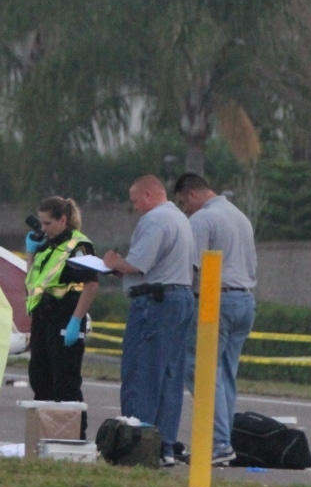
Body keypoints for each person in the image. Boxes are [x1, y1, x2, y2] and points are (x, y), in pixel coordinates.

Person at [103, 174, 196, 466]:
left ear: (147, 195)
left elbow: (137, 264)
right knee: (169, 375)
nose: (135, 209)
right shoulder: (181, 218)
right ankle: (164, 447)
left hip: (154, 303)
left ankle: (137, 445)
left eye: (135, 202)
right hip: (180, 296)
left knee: (141, 373)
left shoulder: (154, 220)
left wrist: (112, 263)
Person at [174, 172, 258, 466]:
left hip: (215, 299)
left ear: (193, 194)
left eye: (184, 203)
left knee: (201, 370)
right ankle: (223, 441)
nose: (184, 209)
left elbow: (191, 266)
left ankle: (219, 442)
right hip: (245, 299)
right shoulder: (239, 216)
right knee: (224, 374)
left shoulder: (202, 220)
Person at [23, 196, 100, 415]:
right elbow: (32, 282)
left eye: (48, 223)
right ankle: (44, 435)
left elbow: (91, 285)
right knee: (39, 378)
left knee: (65, 383)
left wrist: (76, 320)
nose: (44, 229)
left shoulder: (79, 246)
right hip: (43, 318)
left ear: (63, 220)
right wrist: (31, 252)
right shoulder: (47, 246)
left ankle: (72, 438)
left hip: (65, 316)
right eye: (41, 223)